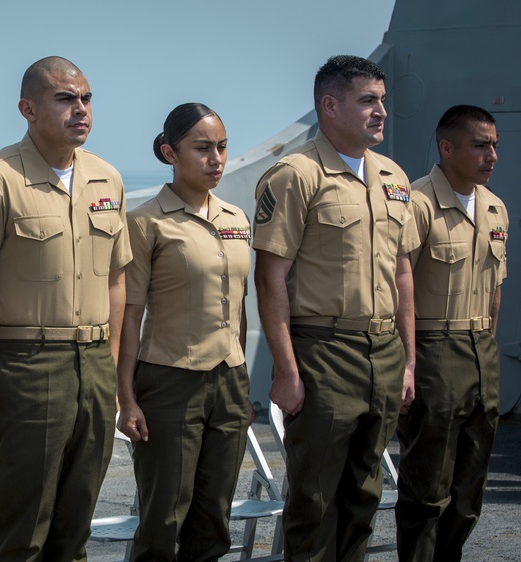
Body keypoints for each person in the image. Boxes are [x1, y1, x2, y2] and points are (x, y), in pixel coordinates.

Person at [0, 56, 132, 561]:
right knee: (22, 529)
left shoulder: (106, 179)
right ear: (28, 109)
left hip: (93, 366)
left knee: (75, 527)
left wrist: (110, 367)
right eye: (65, 99)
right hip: (28, 366)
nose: (80, 110)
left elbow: (117, 278)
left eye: (86, 99)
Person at [252, 55, 419, 562]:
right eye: (368, 100)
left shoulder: (393, 176)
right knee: (316, 498)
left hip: (384, 352)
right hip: (323, 351)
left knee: (365, 494)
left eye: (383, 101)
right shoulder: (294, 176)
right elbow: (270, 276)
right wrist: (286, 370)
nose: (381, 111)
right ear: (329, 105)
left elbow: (403, 272)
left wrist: (408, 361)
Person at [117, 103, 254, 561]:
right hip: (169, 381)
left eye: (221, 147)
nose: (216, 158)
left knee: (214, 517)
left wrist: (241, 382)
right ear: (169, 153)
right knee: (164, 518)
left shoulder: (236, 219)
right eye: (201, 148)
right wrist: (127, 398)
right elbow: (129, 317)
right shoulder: (145, 223)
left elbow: (240, 308)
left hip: (228, 380)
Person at [395, 105, 507, 562]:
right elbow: (398, 290)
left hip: (483, 352)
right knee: (427, 492)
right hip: (434, 350)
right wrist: (408, 363)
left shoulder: (495, 206)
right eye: (481, 145)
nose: (492, 155)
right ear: (447, 147)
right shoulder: (417, 204)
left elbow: (496, 289)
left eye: (495, 145)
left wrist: (490, 350)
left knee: (468, 494)